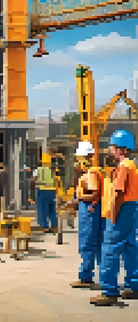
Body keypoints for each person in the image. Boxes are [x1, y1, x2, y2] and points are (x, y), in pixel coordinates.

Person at [92, 130, 138, 306]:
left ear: (122, 149)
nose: (111, 150)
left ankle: (109, 291)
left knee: (110, 249)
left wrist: (113, 216)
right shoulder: (132, 165)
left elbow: (118, 194)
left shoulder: (124, 167)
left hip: (123, 210)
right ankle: (134, 286)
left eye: (113, 147)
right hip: (132, 208)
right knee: (130, 247)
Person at [68, 141, 104, 289]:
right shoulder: (92, 172)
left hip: (90, 210)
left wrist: (78, 200)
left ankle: (86, 276)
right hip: (89, 208)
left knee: (88, 244)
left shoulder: (91, 174)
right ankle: (99, 276)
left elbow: (95, 194)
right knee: (95, 244)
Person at [35, 153, 58, 233]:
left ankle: (45, 227)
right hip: (52, 191)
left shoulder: (38, 170)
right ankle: (54, 226)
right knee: (52, 209)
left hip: (42, 191)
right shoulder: (52, 170)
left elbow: (34, 178)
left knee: (43, 210)